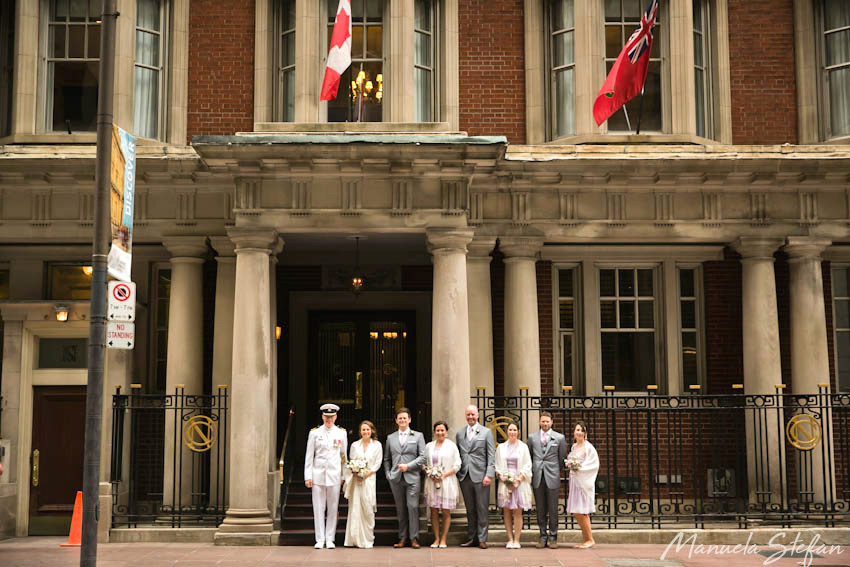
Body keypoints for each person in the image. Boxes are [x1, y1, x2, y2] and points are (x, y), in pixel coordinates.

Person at [304, 403, 348, 549]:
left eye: (331, 417)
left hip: (334, 475)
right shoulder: (315, 433)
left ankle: (330, 538)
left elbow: (343, 456)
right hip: (318, 475)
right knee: (318, 508)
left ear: (335, 417)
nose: (329, 419)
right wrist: (307, 476)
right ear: (322, 416)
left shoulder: (341, 433)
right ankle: (319, 539)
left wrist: (344, 475)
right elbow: (309, 456)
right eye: (326, 417)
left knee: (333, 508)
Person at [384, 407, 426, 548]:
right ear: (396, 421)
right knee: (401, 509)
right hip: (395, 478)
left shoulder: (418, 436)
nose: (402, 420)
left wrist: (409, 466)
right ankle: (402, 537)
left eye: (404, 418)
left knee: (412, 507)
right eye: (400, 418)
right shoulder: (391, 438)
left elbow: (423, 457)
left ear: (409, 420)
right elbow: (387, 459)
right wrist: (388, 474)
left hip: (412, 477)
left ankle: (414, 538)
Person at [456, 405, 495, 549]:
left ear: (478, 415)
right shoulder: (460, 434)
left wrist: (489, 474)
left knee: (482, 508)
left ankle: (482, 538)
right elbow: (459, 454)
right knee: (470, 508)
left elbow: (491, 455)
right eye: (468, 415)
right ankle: (472, 538)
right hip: (465, 476)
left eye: (473, 414)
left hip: (481, 476)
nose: (470, 417)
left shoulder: (486, 432)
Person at [527, 411, 567, 548]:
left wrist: (555, 470)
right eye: (543, 421)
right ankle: (542, 535)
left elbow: (562, 458)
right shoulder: (532, 438)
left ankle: (553, 536)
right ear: (539, 422)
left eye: (547, 421)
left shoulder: (559, 438)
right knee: (540, 508)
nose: (545, 424)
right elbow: (530, 456)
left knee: (553, 508)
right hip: (538, 476)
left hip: (552, 476)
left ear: (551, 422)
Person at [343, 420, 383, 548]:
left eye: (367, 429)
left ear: (372, 431)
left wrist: (367, 473)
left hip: (369, 479)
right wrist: (356, 472)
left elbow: (378, 463)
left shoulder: (377, 445)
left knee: (368, 507)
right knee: (356, 507)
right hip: (357, 480)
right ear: (360, 432)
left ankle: (368, 539)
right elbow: (352, 461)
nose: (365, 432)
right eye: (363, 430)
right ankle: (354, 538)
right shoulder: (355, 445)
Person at [423, 421, 461, 548]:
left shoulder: (451, 446)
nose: (440, 433)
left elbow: (457, 465)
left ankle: (443, 539)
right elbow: (424, 463)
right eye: (437, 431)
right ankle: (436, 538)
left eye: (442, 430)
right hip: (432, 481)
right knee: (433, 510)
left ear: (446, 432)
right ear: (434, 432)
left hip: (446, 481)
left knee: (445, 511)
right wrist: (429, 472)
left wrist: (443, 475)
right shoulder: (429, 446)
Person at [495, 421, 533, 549]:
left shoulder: (523, 447)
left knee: (517, 512)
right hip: (505, 483)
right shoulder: (501, 448)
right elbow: (497, 466)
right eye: (510, 430)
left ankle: (517, 540)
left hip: (519, 483)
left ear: (518, 432)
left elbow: (528, 465)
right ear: (507, 432)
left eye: (514, 430)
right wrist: (504, 479)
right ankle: (509, 539)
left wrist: (518, 480)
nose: (512, 432)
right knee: (506, 512)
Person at [566, 421, 599, 549]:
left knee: (582, 511)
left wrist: (579, 467)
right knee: (576, 511)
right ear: (574, 432)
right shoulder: (574, 447)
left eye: (581, 430)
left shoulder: (588, 447)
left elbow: (594, 464)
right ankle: (585, 539)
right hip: (575, 482)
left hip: (583, 482)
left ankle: (590, 539)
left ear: (585, 433)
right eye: (577, 430)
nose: (579, 432)